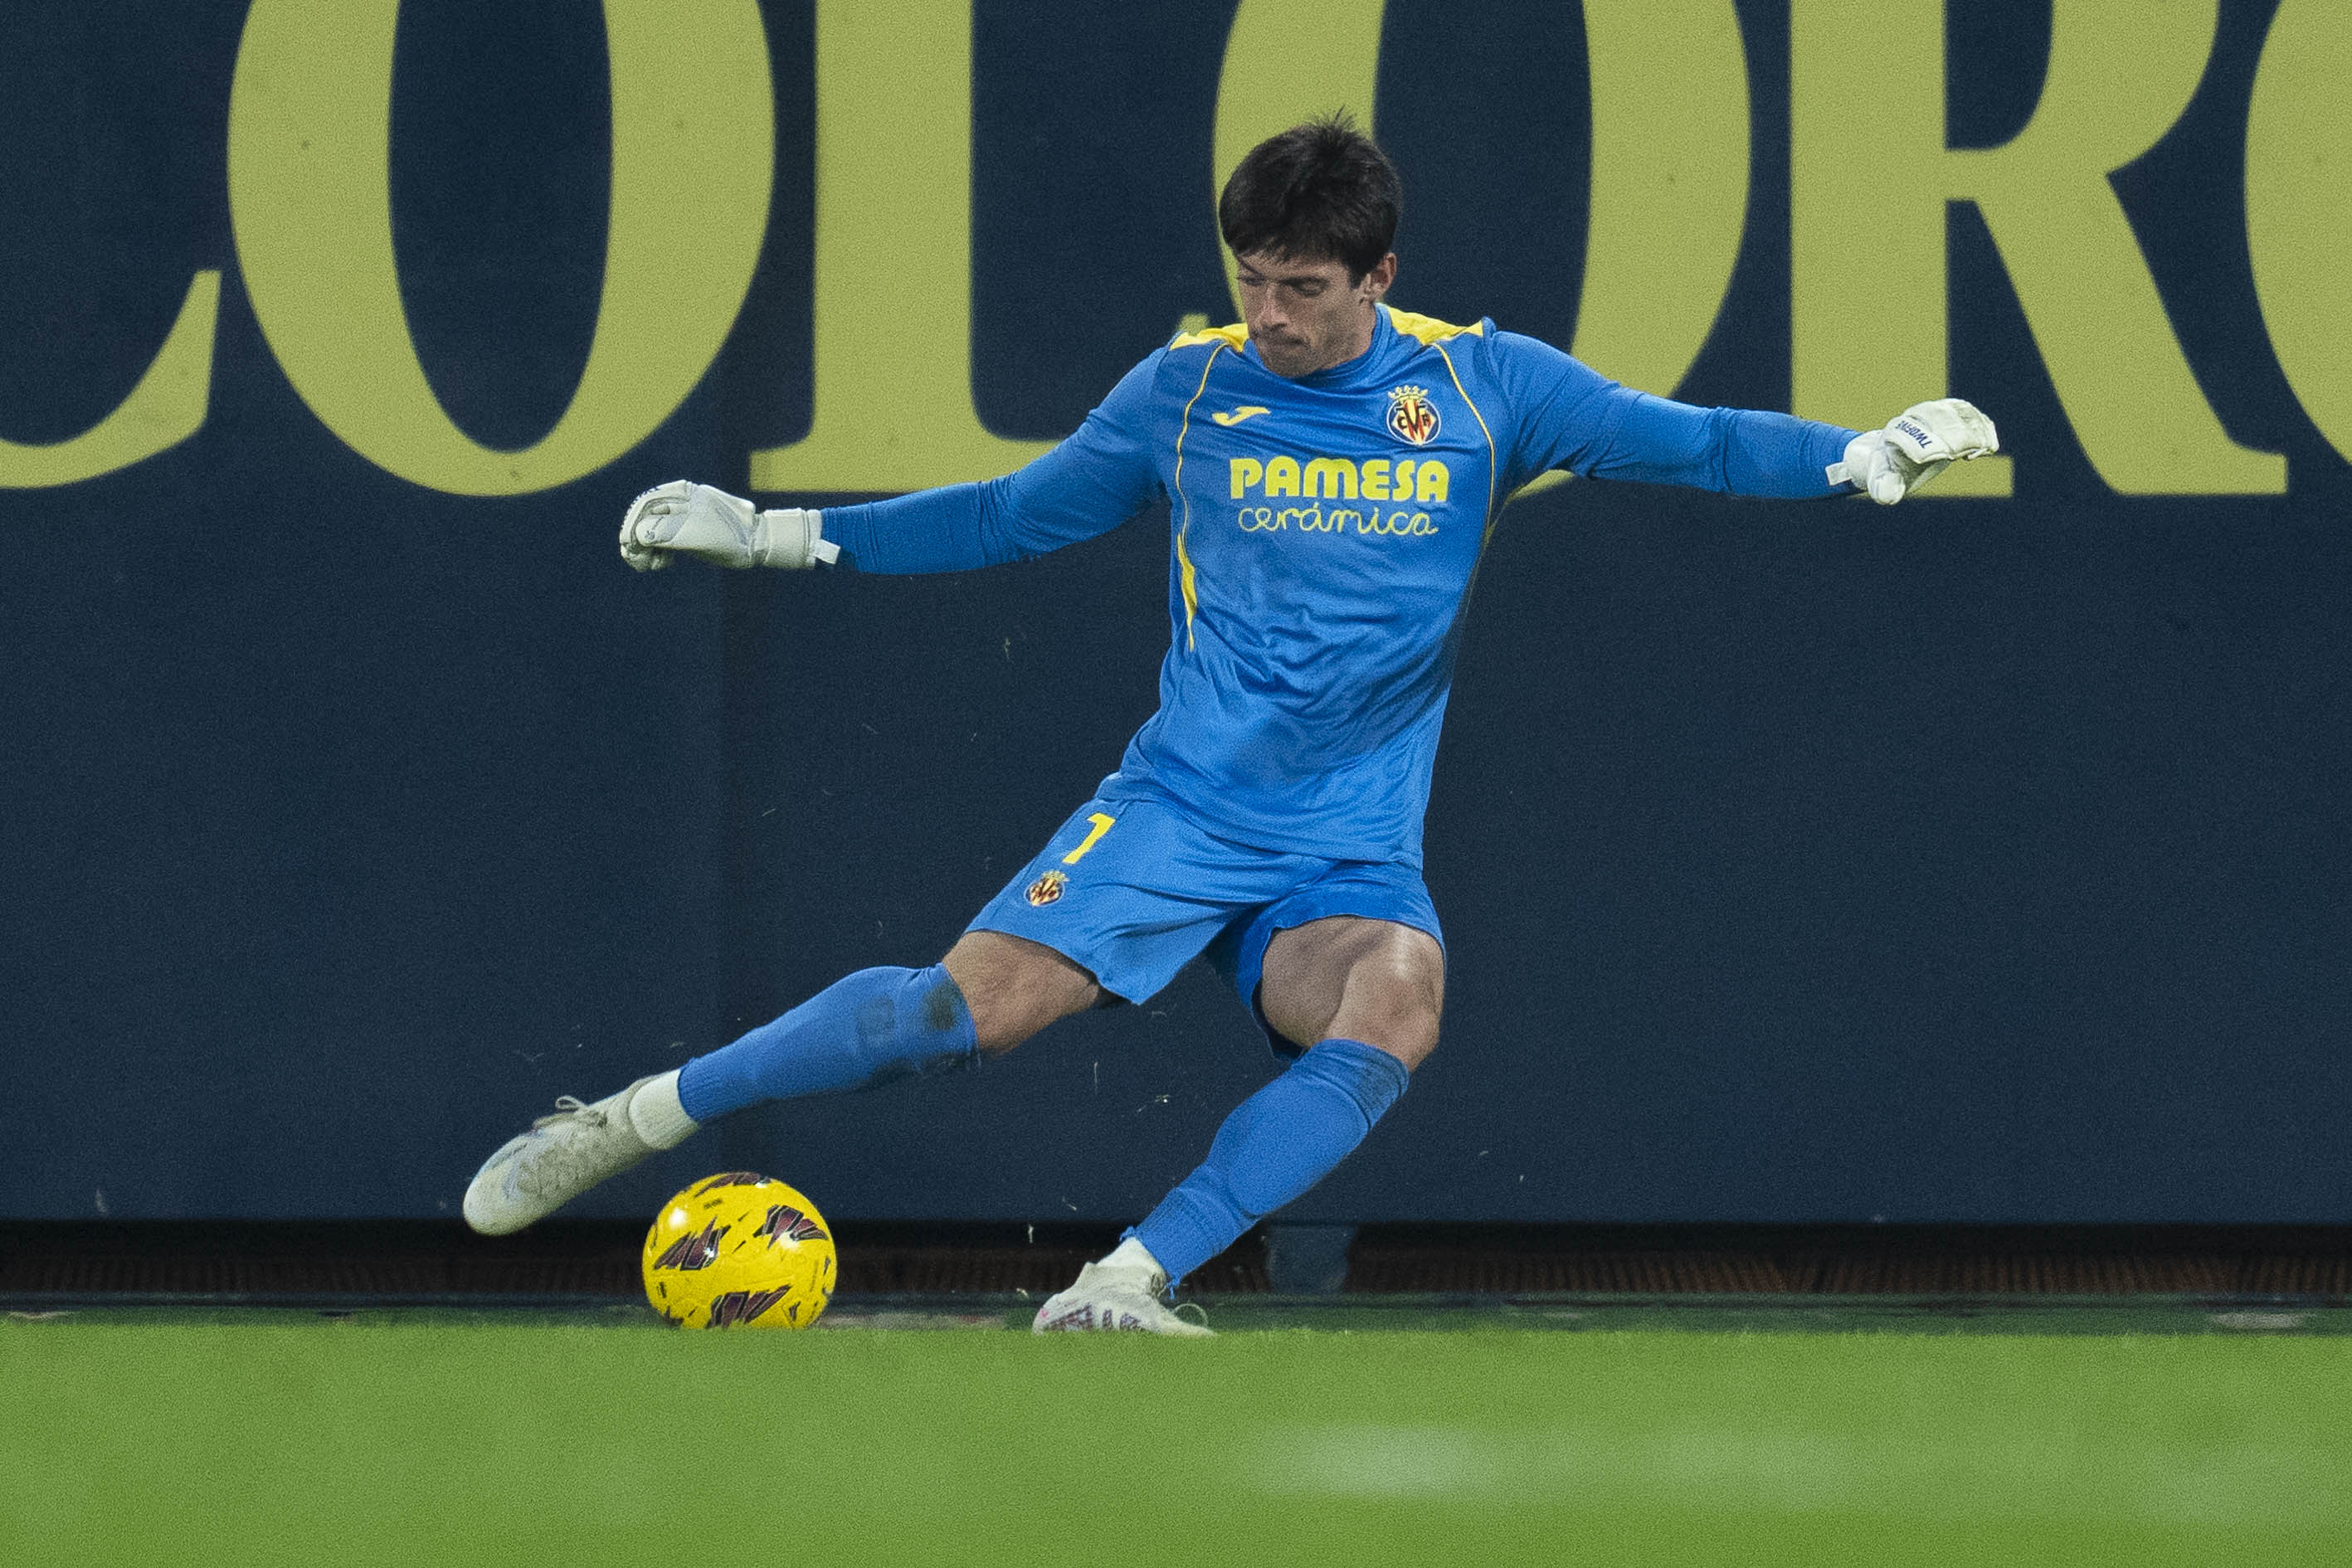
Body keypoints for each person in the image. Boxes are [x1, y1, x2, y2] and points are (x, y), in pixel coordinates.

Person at [461, 116, 1997, 1334]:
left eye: (1303, 289)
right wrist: (782, 535)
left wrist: (1854, 454)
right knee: (945, 1023)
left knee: (1396, 1001)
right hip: (1181, 808)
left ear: (1379, 276)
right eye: (1251, 278)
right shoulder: (1187, 393)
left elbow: (1701, 441)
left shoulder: (1486, 391)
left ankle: (1127, 1279)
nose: (1269, 313)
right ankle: (633, 1116)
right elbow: (1014, 515)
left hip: (1345, 841)